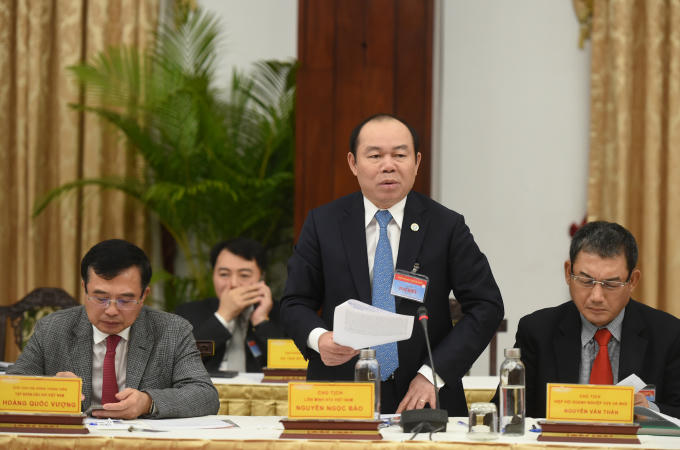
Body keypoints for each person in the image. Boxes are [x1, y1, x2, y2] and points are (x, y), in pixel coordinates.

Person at [280, 113, 504, 416]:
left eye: (400, 155)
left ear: (417, 162)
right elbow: (294, 302)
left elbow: (486, 306)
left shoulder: (446, 226)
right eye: (375, 156)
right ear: (353, 163)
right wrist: (320, 339)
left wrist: (433, 373)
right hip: (340, 390)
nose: (388, 165)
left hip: (425, 394)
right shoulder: (323, 223)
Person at [7, 239, 220, 419]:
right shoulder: (52, 328)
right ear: (84, 289)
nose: (111, 310)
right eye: (100, 298)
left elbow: (205, 395)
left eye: (125, 300)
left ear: (144, 296)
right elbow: (10, 387)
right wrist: (49, 389)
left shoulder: (173, 330)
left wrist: (147, 402)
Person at [513, 221, 680, 418]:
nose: (596, 296)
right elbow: (509, 412)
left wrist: (651, 411)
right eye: (586, 281)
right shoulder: (537, 331)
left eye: (611, 284)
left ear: (633, 281)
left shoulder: (668, 335)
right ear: (568, 273)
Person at [176, 238, 284, 373]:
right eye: (224, 274)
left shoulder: (284, 313)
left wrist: (261, 321)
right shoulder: (189, 313)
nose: (233, 283)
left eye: (244, 275)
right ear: (213, 276)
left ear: (262, 278)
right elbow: (182, 361)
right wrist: (223, 317)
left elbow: (288, 365)